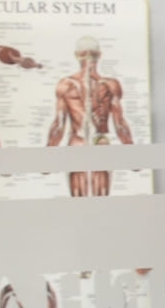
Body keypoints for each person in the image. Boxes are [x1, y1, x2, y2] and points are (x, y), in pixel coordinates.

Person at [47, 35, 131, 197]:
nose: (88, 59)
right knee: (98, 200)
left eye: (89, 54)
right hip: (97, 144)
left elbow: (59, 125)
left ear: (76, 55)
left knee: (84, 200)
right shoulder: (110, 85)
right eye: (86, 54)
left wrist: (48, 156)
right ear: (99, 55)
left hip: (82, 144)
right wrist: (132, 154)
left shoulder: (67, 85)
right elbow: (120, 124)